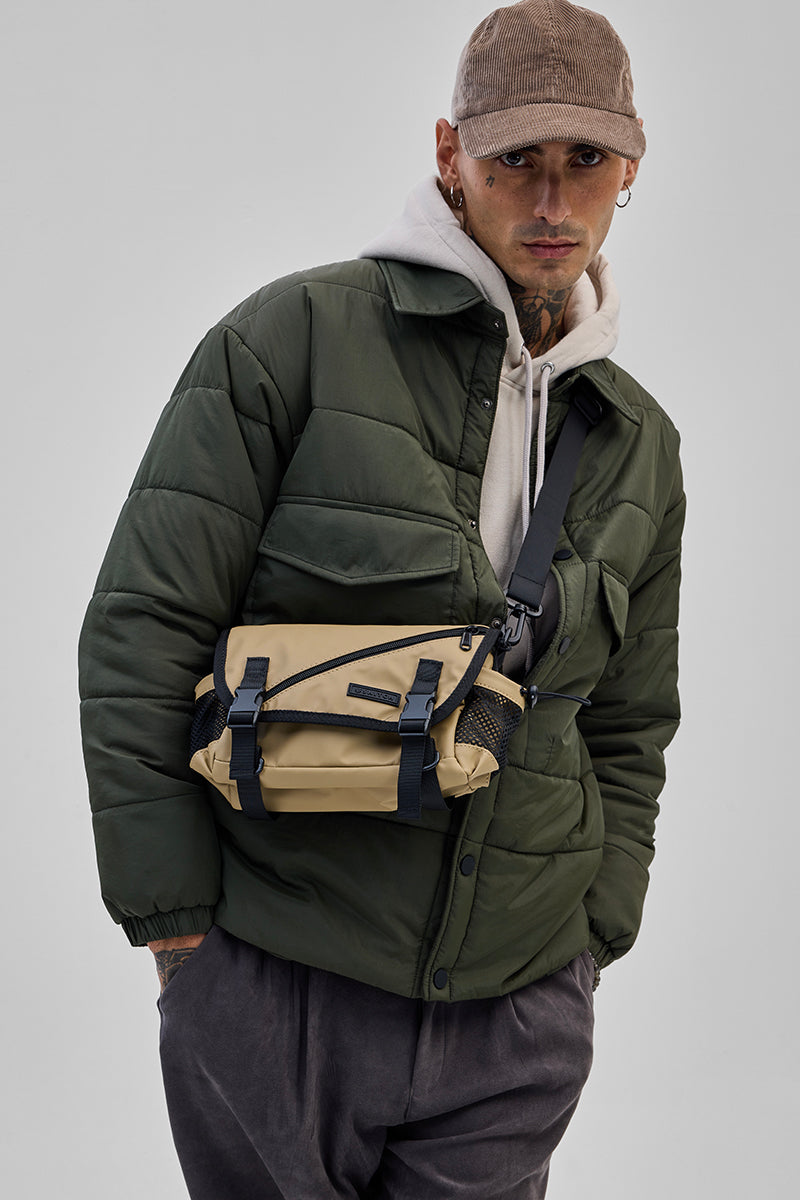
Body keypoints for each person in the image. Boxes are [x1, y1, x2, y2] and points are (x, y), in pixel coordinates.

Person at [79, 2, 683, 1196]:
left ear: (630, 168)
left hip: (516, 1015)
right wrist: (180, 937)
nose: (551, 199)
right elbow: (142, 631)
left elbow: (628, 722)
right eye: (513, 158)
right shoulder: (289, 341)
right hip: (275, 982)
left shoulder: (637, 444)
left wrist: (588, 943)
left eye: (584, 160)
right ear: (449, 155)